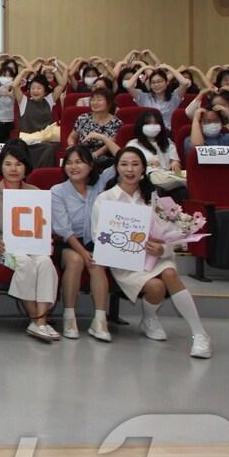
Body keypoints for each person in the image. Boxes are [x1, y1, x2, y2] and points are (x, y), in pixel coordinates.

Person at [92, 146, 212, 358]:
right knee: (155, 287)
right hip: (124, 261)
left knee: (170, 273)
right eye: (124, 164)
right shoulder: (106, 199)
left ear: (143, 168)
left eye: (135, 164)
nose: (130, 170)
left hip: (155, 256)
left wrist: (163, 248)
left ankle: (200, 334)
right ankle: (149, 319)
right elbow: (97, 236)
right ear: (117, 167)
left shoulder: (154, 198)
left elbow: (169, 234)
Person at [0, 140, 57, 342]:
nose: (13, 169)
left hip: (31, 244)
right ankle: (38, 320)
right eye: (8, 164)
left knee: (46, 263)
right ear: (0, 166)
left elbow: (44, 225)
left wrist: (47, 240)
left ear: (26, 168)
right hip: (1, 247)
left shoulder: (35, 192)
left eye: (18, 164)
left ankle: (41, 321)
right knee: (25, 263)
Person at [50, 145, 117, 342]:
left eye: (79, 161)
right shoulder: (58, 191)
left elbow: (122, 158)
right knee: (77, 260)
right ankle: (69, 317)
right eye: (69, 163)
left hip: (95, 240)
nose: (73, 167)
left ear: (90, 164)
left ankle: (100, 320)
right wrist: (84, 252)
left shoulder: (100, 185)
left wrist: (104, 141)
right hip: (67, 243)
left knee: (97, 265)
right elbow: (63, 230)